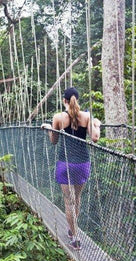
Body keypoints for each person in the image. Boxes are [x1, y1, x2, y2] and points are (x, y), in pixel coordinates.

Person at [41, 87, 100, 250]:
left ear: (64, 101)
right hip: (82, 163)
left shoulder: (59, 117)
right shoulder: (87, 117)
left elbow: (54, 140)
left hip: (65, 164)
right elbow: (95, 138)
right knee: (77, 198)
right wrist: (97, 124)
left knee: (69, 202)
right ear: (77, 100)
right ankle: (73, 230)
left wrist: (48, 128)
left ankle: (74, 237)